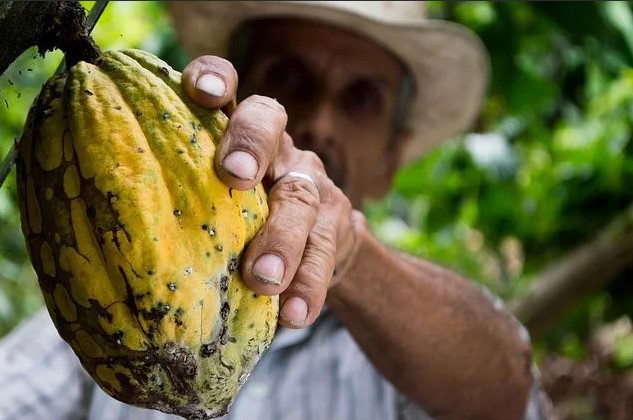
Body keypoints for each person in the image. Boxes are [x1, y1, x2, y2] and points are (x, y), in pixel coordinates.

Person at [0, 2, 552, 419]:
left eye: (362, 98)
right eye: (289, 79)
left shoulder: (409, 354)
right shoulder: (97, 299)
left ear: (393, 156)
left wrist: (350, 257)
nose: (320, 123)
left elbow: (506, 388)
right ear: (224, 96)